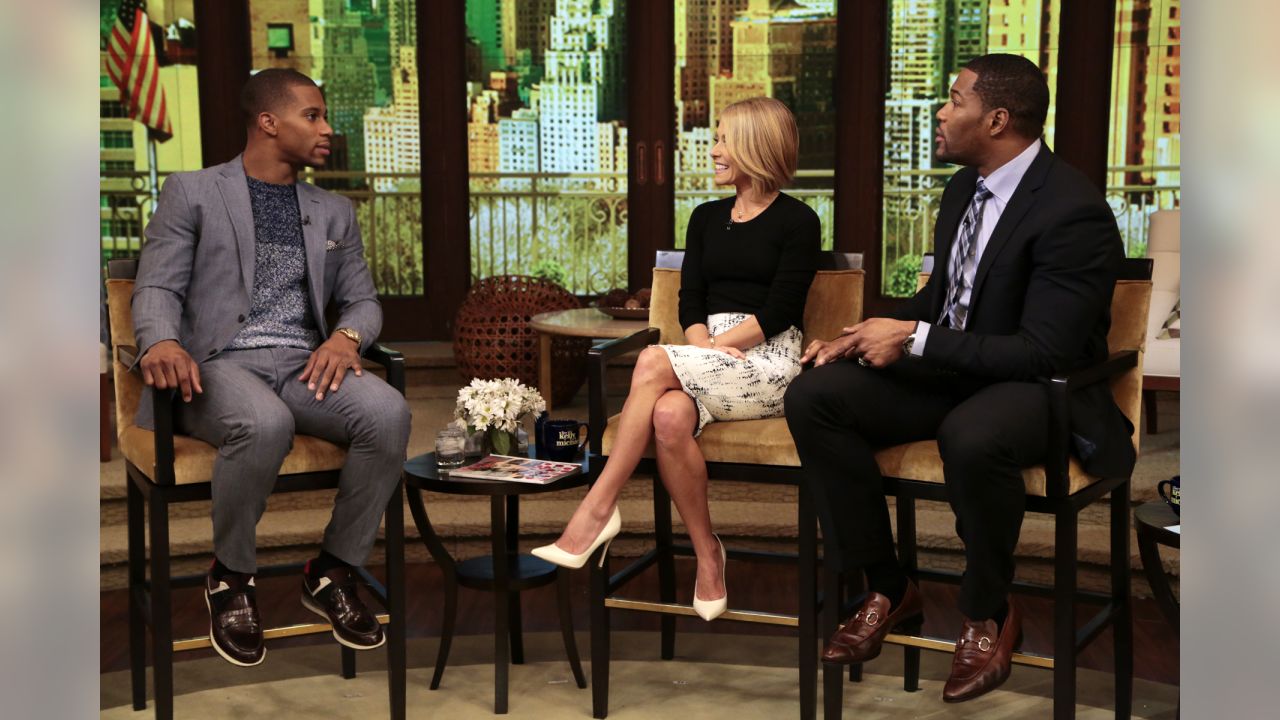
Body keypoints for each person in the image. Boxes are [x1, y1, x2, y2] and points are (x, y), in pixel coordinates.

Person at [783, 54, 1134, 702]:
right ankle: (888, 586)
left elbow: (1044, 350)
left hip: (1043, 390)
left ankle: (987, 611)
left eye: (954, 99)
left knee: (972, 434)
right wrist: (864, 332)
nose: (941, 112)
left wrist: (913, 338)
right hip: (956, 371)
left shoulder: (1072, 211)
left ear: (996, 118)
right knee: (815, 395)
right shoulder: (961, 192)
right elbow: (944, 306)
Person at [132, 68, 411, 667]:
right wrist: (159, 341)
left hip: (303, 364)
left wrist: (346, 336)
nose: (327, 128)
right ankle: (231, 576)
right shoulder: (193, 191)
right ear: (268, 122)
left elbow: (362, 299)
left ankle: (332, 571)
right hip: (215, 365)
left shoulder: (333, 210)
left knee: (388, 413)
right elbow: (156, 285)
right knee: (264, 423)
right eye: (312, 116)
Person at [532, 97, 820, 621]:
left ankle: (597, 509)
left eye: (723, 140)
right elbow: (692, 299)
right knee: (667, 416)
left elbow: (780, 311)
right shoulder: (706, 218)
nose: (713, 150)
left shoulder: (799, 221)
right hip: (702, 351)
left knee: (649, 364)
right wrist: (698, 345)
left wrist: (709, 350)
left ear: (756, 146)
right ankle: (708, 552)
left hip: (767, 361)